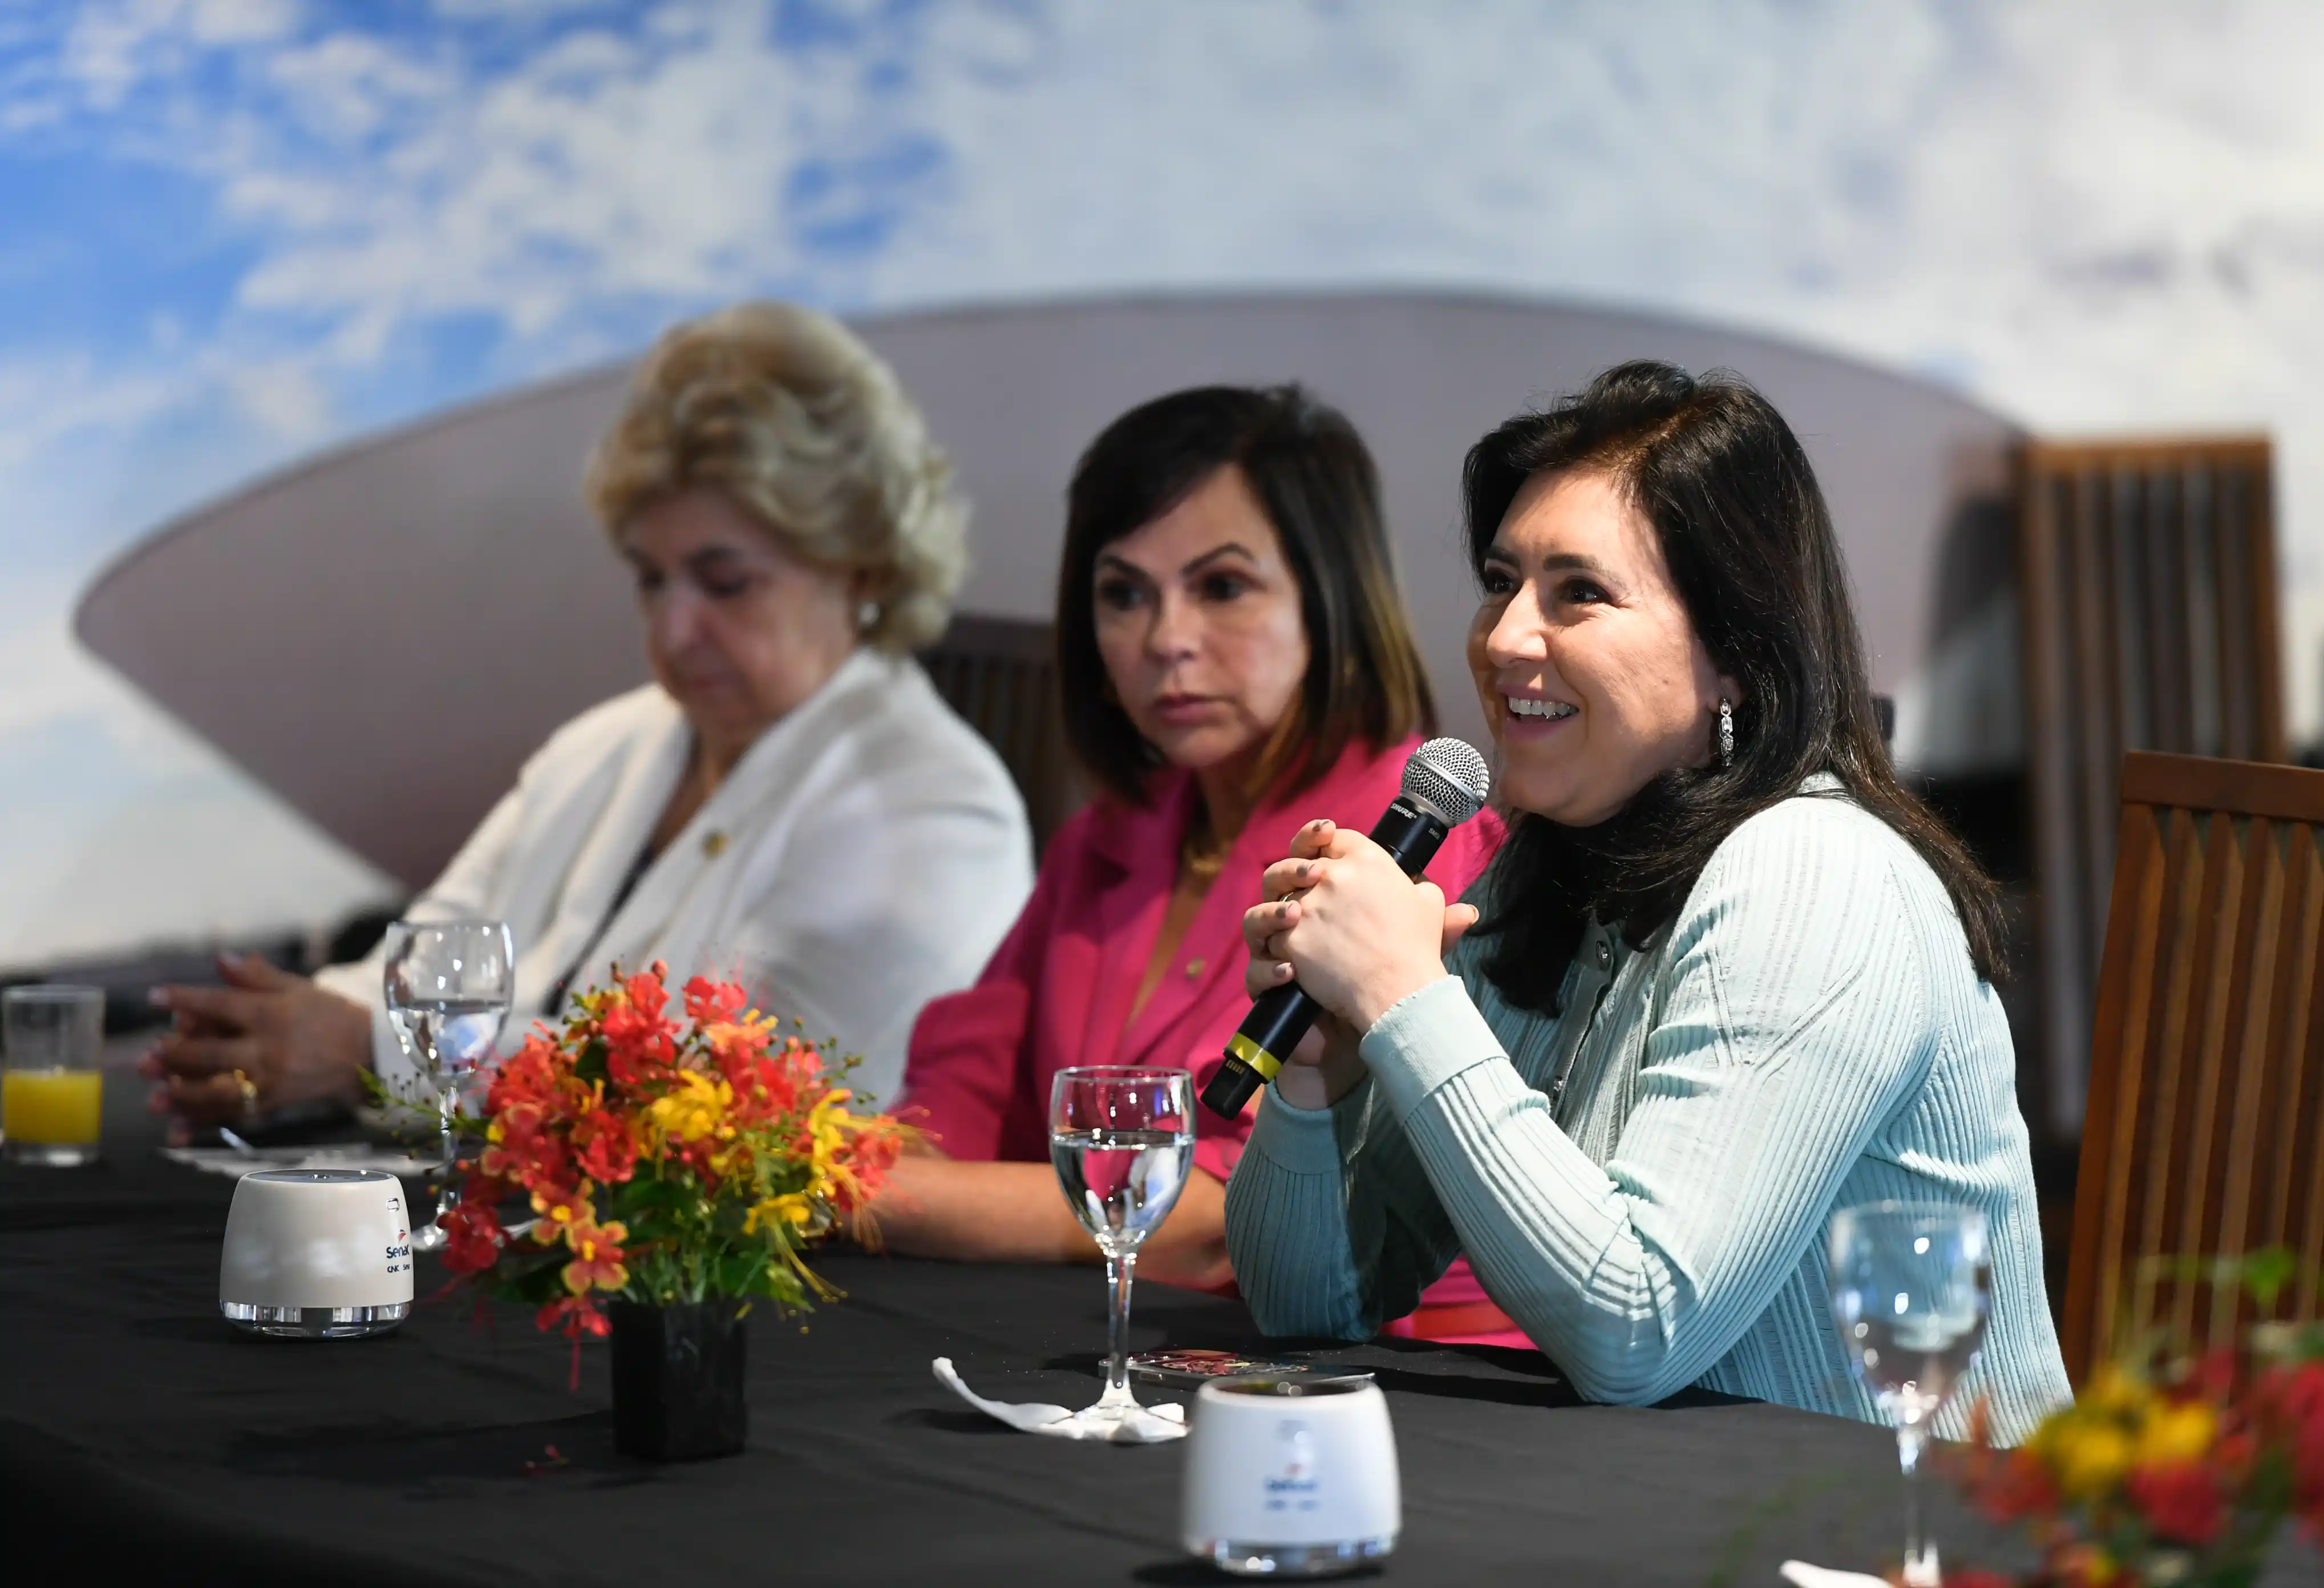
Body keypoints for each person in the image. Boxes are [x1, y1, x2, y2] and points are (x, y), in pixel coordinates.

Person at [1226, 362, 2071, 1436]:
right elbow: (1308, 1309)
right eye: (1502, 580)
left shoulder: (1815, 873)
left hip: (1911, 1539)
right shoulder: (1553, 871)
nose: (1503, 638)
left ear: (1732, 659)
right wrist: (1316, 1080)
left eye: (1579, 592)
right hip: (1699, 1514)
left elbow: (1635, 1330)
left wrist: (1405, 998)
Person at [144, 302, 1035, 1129]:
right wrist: (272, 1031)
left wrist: (361, 1051)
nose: (674, 628)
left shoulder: (933, 808)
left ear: (864, 569)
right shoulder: (604, 744)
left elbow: (734, 1108)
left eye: (726, 583)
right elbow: (424, 965)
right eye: (652, 579)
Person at [880, 384, 1516, 1336]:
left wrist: (863, 1196)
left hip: (1395, 1395)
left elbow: (1214, 1224)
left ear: (1327, 597)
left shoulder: (1411, 837)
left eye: (1222, 587)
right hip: (1129, 1356)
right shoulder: (1106, 838)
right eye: (1123, 594)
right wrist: (835, 1165)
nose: (1165, 640)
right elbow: (962, 1096)